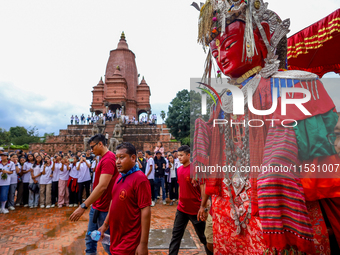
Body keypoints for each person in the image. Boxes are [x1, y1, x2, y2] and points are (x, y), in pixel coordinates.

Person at [193, 1, 340, 253]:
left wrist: (275, 166)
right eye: (215, 54)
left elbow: (306, 142)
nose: (222, 57)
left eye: (228, 46)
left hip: (272, 201)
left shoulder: (291, 84)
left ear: (260, 40)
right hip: (229, 206)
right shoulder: (224, 100)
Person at [98, 142, 151, 255]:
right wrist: (105, 225)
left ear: (133, 158)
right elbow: (113, 201)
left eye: (121, 157)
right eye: (116, 158)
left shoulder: (140, 179)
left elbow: (145, 211)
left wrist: (143, 244)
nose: (117, 161)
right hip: (116, 236)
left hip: (130, 241)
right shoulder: (119, 177)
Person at [70, 133, 118, 255]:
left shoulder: (108, 159)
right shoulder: (103, 158)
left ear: (100, 144)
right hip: (97, 206)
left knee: (107, 243)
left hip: (105, 208)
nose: (91, 150)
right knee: (90, 238)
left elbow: (102, 186)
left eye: (92, 147)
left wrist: (83, 206)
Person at [169, 145, 211, 255]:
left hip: (195, 209)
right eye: (178, 155)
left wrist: (204, 206)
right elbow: (180, 186)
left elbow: (203, 188)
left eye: (182, 155)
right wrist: (179, 199)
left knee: (203, 237)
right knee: (175, 236)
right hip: (182, 208)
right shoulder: (178, 170)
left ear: (188, 155)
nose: (179, 158)